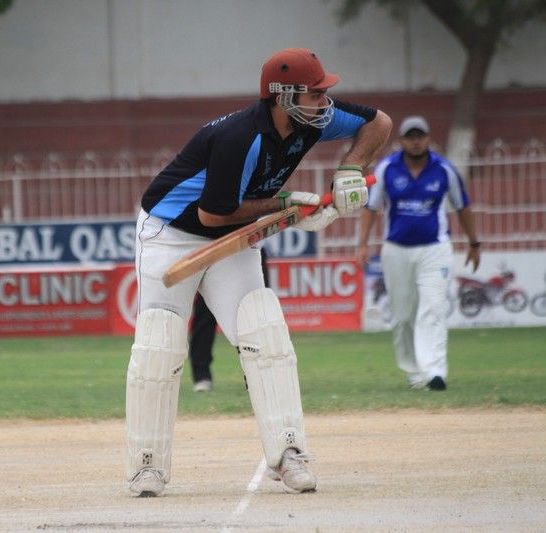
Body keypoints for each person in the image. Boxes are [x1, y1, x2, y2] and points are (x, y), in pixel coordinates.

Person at [125, 47, 392, 497]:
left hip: (235, 235)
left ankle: (288, 453)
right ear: (284, 97)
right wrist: (287, 203)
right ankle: (146, 465)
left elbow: (378, 123)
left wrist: (350, 168)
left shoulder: (315, 120)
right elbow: (213, 214)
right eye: (315, 93)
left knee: (264, 331)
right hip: (171, 233)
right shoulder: (240, 137)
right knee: (159, 341)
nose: (324, 101)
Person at [357, 115, 480, 391]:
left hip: (435, 249)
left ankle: (435, 371)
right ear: (402, 141)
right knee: (402, 316)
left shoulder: (444, 169)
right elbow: (371, 208)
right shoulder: (387, 168)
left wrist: (475, 243)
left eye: (420, 136)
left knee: (433, 308)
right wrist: (362, 244)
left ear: (428, 139)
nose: (415, 142)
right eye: (410, 137)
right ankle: (414, 371)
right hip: (396, 250)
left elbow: (463, 206)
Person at [189, 248, 269, 393]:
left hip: (249, 248)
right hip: (211, 247)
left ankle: (261, 372)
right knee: (205, 314)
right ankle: (201, 375)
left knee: (256, 312)